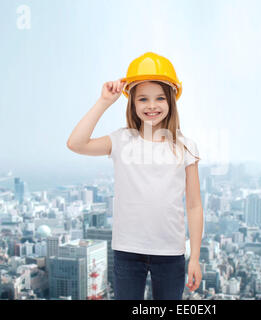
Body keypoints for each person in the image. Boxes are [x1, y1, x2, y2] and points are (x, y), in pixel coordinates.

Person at [67, 52, 203, 300]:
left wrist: (194, 257)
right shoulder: (121, 140)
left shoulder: (185, 146)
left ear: (172, 100)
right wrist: (104, 102)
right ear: (132, 103)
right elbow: (76, 144)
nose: (152, 105)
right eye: (143, 99)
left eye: (160, 98)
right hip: (127, 250)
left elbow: (194, 205)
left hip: (171, 252)